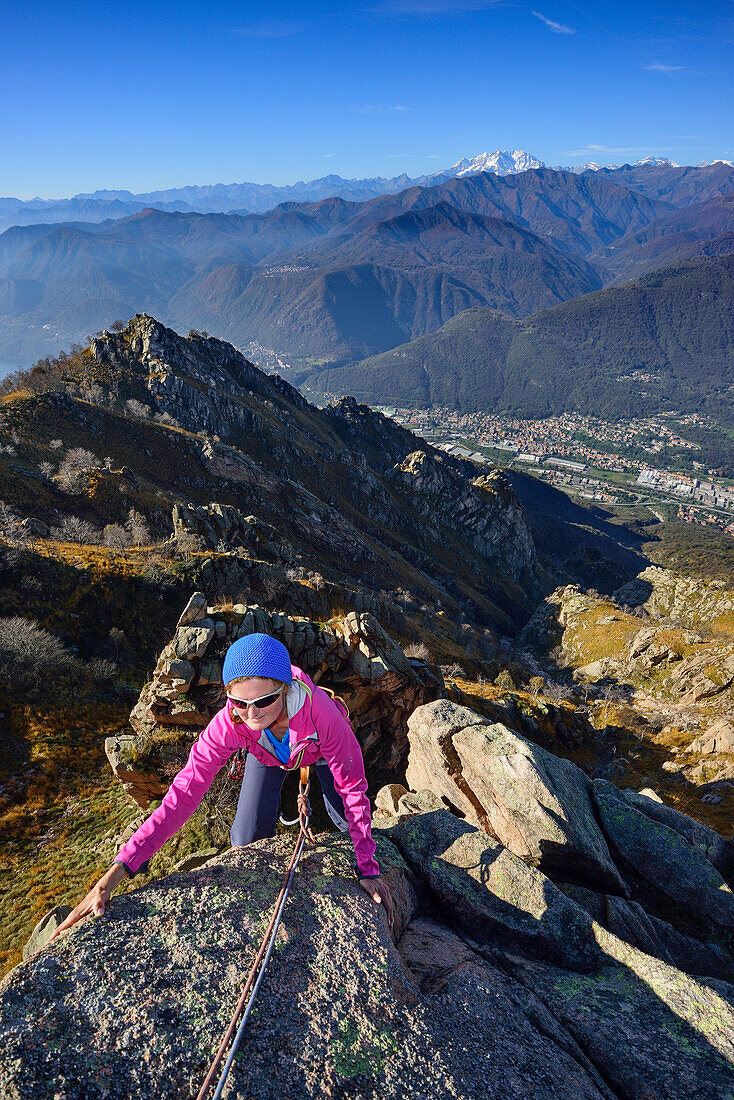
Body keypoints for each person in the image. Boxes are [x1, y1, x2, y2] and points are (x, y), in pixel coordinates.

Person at [51, 633, 394, 940]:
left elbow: (352, 788)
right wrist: (114, 875)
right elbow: (182, 796)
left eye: (263, 701)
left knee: (346, 820)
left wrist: (368, 868)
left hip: (317, 750)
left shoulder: (323, 715)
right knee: (244, 840)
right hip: (269, 754)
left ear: (285, 689)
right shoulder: (230, 723)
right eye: (240, 702)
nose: (252, 714)